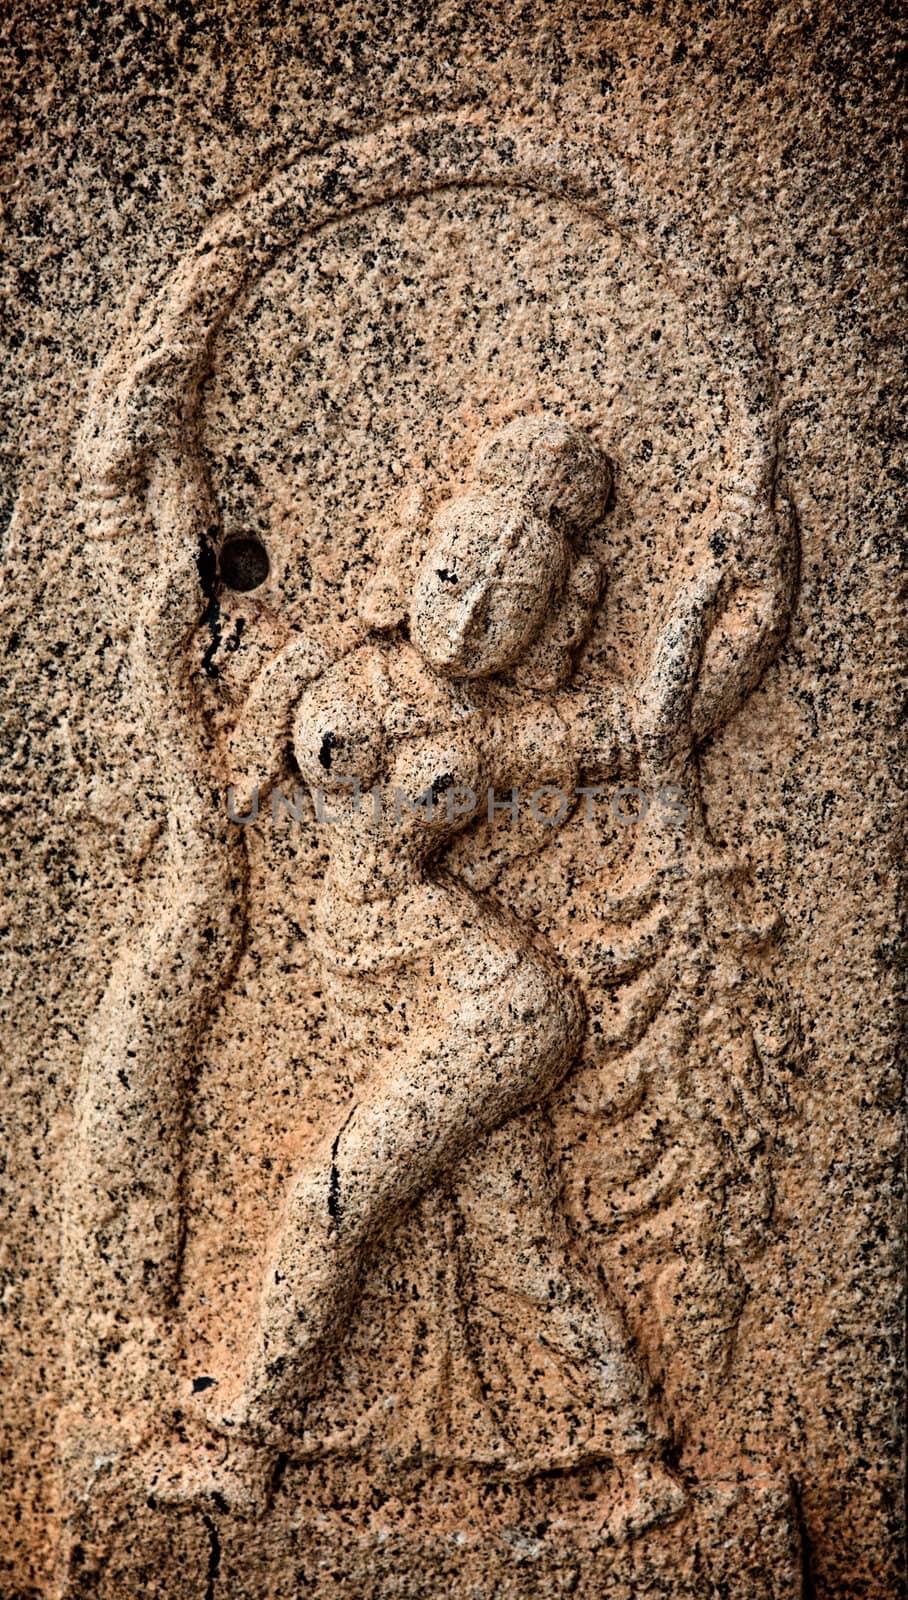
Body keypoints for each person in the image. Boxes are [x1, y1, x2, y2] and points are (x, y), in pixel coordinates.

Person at [207, 414, 686, 1540]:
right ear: (415, 553)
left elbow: (651, 724)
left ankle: (244, 1453)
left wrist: (723, 585)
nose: (468, 617)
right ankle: (644, 1467)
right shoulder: (326, 667)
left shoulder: (503, 729)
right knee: (525, 1247)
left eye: (505, 601)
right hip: (414, 991)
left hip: (496, 1003)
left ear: (549, 619)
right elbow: (224, 784)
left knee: (331, 1197)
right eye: (455, 574)